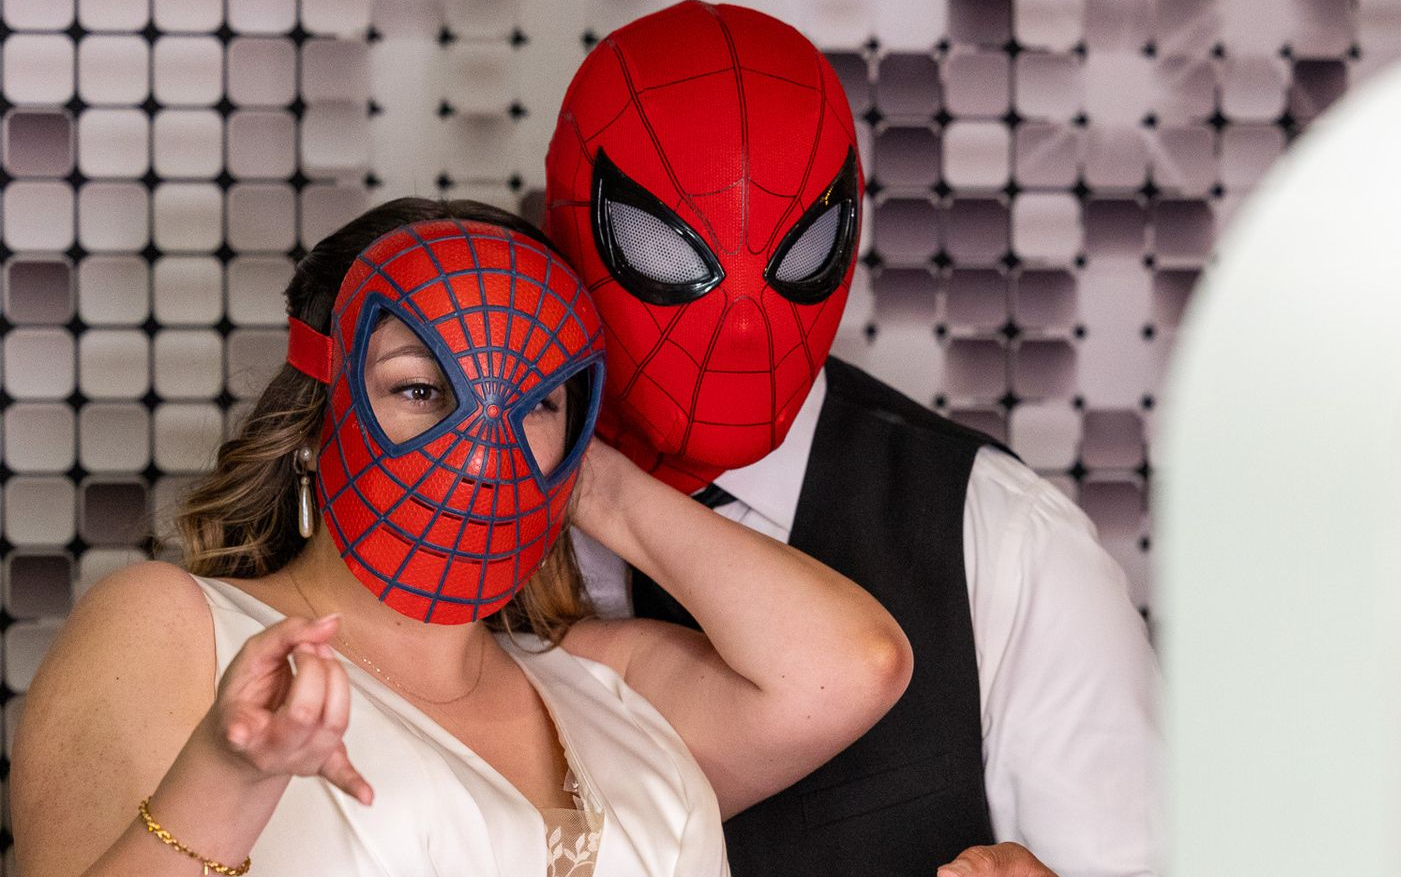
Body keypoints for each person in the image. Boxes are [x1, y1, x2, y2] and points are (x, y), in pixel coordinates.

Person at [11, 198, 912, 877]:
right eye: (419, 389)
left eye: (536, 399)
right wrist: (228, 774)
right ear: (318, 411)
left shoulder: (606, 684)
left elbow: (853, 666)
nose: (479, 439)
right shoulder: (179, 628)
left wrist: (576, 472)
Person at [543, 4, 1162, 876]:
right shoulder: (453, 522)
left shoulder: (1000, 542)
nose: (745, 321)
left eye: (796, 247)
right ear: (569, 219)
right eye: (663, 246)